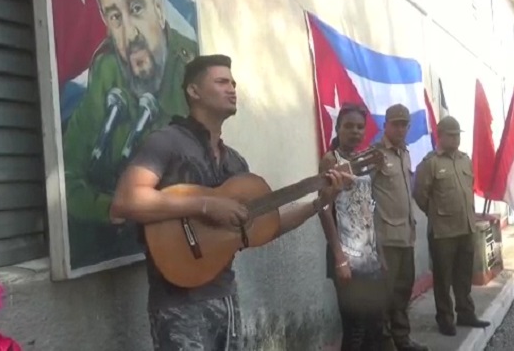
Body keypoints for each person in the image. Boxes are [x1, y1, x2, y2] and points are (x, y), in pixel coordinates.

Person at [110, 54, 354, 351]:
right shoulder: (166, 142)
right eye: (222, 82)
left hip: (225, 296)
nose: (232, 88)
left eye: (233, 83)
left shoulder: (235, 164)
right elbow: (125, 201)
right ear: (194, 91)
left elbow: (267, 227)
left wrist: (318, 203)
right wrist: (204, 206)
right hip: (177, 304)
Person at [62, 0, 198, 267]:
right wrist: (111, 208)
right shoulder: (107, 73)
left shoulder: (193, 70)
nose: (130, 34)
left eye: (136, 9)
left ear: (159, 7)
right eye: (114, 17)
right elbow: (66, 178)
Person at [413, 116, 491, 336]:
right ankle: (445, 319)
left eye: (458, 134)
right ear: (440, 136)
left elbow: (468, 190)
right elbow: (420, 194)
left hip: (466, 228)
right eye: (451, 135)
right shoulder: (430, 163)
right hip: (443, 232)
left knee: (463, 276)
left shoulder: (465, 160)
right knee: (443, 278)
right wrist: (436, 213)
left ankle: (466, 313)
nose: (456, 138)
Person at [318, 104, 385, 351]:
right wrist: (339, 259)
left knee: (374, 325)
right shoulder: (331, 160)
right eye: (349, 126)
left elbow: (369, 209)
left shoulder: (362, 159)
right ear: (337, 128)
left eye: (360, 127)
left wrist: (381, 254)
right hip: (347, 258)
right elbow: (324, 209)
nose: (355, 132)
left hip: (370, 257)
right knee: (355, 329)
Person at [371, 104, 428, 351]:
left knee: (403, 291)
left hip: (406, 234)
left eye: (404, 124)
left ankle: (402, 340)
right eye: (396, 124)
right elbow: (365, 195)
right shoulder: (375, 154)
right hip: (386, 238)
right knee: (385, 295)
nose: (401, 128)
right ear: (385, 126)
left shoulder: (404, 152)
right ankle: (385, 343)